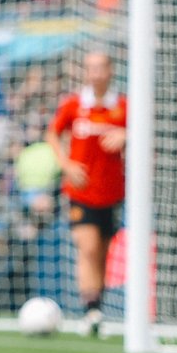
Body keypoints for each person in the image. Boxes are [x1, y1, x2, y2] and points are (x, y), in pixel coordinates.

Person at [45, 52, 127, 336]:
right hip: (81, 191)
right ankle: (90, 309)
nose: (95, 73)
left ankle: (95, 309)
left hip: (112, 192)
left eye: (100, 67)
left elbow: (142, 133)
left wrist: (126, 135)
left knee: (103, 252)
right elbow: (52, 134)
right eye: (90, 68)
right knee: (88, 247)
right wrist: (66, 164)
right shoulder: (74, 105)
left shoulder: (123, 107)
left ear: (110, 70)